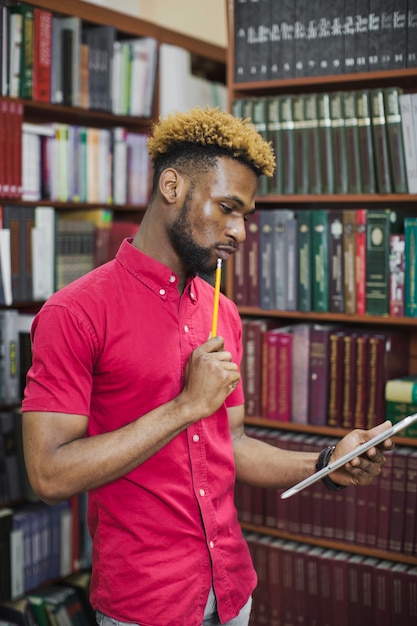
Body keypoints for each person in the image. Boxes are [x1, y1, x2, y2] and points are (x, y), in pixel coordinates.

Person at [22, 106, 394, 626]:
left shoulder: (222, 310)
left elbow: (231, 445)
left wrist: (329, 463)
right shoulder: (75, 313)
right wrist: (185, 406)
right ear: (171, 186)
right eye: (227, 207)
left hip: (232, 591)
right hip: (145, 606)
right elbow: (48, 473)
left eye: (246, 215)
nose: (240, 232)